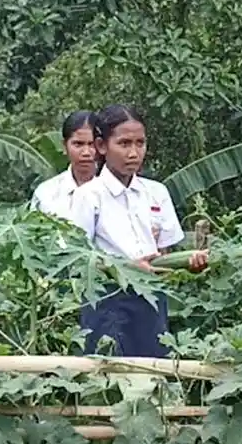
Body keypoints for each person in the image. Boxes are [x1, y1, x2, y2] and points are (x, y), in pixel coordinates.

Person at [69, 104, 205, 357]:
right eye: (124, 143)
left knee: (154, 376)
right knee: (106, 378)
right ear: (101, 146)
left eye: (140, 143)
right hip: (106, 301)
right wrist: (128, 267)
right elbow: (78, 256)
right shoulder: (88, 196)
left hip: (152, 299)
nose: (134, 152)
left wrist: (189, 262)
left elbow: (165, 251)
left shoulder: (157, 193)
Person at [30, 110, 99, 220]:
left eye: (92, 144)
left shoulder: (115, 192)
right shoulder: (45, 194)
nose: (86, 152)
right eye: (78, 144)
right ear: (65, 146)